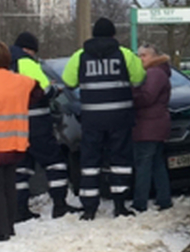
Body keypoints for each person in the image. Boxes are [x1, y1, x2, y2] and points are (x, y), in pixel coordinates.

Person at [62, 17, 145, 220]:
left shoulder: (80, 55)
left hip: (92, 119)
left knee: (90, 162)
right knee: (120, 161)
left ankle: (90, 208)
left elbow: (68, 81)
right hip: (120, 118)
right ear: (113, 34)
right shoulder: (125, 54)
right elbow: (139, 78)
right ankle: (119, 205)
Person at [10, 31, 80, 220]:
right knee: (55, 163)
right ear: (28, 49)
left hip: (14, 125)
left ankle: (20, 209)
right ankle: (60, 205)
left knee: (21, 168)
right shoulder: (26, 62)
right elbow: (44, 89)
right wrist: (54, 89)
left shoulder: (6, 63)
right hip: (36, 122)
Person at [0, 41, 41, 241]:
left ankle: (1, 229)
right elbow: (39, 94)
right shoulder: (23, 82)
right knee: (10, 184)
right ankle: (10, 224)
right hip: (17, 141)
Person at [130, 43, 173, 214]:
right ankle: (164, 199)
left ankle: (140, 202)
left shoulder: (154, 73)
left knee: (143, 164)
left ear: (154, 57)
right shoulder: (160, 71)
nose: (140, 59)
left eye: (144, 55)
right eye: (139, 55)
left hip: (148, 125)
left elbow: (147, 97)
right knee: (156, 164)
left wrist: (131, 92)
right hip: (155, 124)